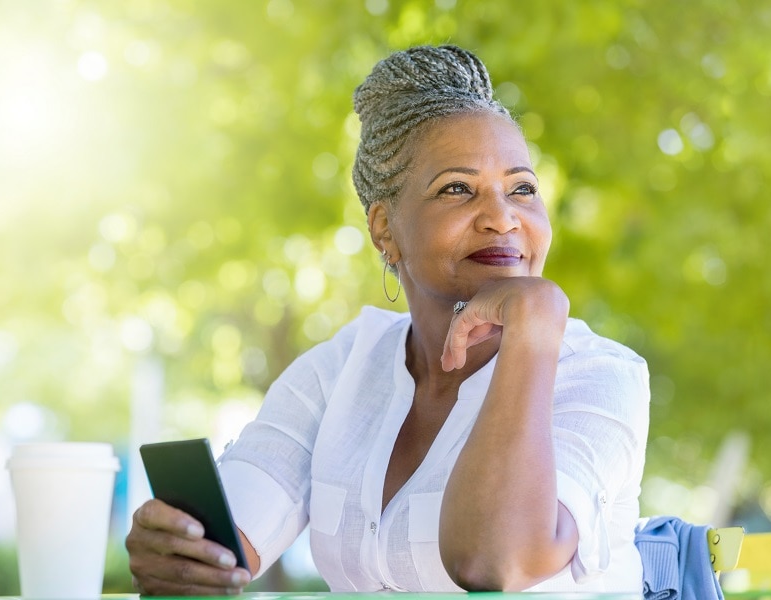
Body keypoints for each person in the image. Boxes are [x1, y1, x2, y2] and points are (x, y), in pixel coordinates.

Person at [126, 44, 650, 594]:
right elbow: (225, 542)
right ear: (384, 230)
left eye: (522, 188)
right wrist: (180, 551)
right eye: (457, 188)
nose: (503, 218)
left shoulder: (600, 376)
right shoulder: (339, 372)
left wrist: (535, 326)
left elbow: (497, 564)